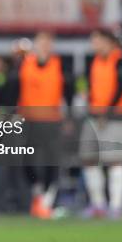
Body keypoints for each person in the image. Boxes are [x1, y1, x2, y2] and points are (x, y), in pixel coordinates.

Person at [15, 32, 74, 219]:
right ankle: (38, 194)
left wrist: (69, 117)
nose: (44, 46)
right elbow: (15, 90)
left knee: (52, 162)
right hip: (29, 119)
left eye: (48, 43)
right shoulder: (25, 64)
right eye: (41, 42)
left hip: (52, 120)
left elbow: (69, 92)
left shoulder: (60, 65)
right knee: (27, 162)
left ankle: (47, 202)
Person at [79, 29, 122, 220]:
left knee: (115, 160)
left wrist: (108, 112)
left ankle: (116, 207)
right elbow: (87, 85)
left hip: (115, 118)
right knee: (89, 159)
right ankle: (98, 205)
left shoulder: (120, 60)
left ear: (108, 42)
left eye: (96, 40)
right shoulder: (93, 61)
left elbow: (120, 87)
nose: (93, 44)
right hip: (94, 115)